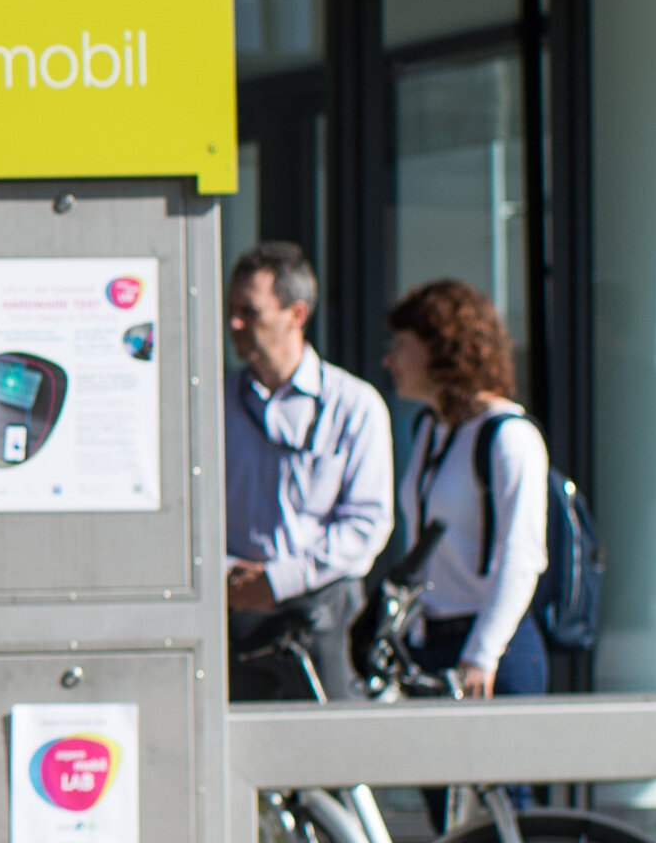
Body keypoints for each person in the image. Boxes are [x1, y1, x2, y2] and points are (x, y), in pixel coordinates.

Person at [222, 240, 392, 702]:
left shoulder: (353, 406)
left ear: (296, 314)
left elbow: (367, 523)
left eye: (250, 311)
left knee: (329, 762)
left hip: (322, 617)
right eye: (230, 309)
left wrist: (279, 579)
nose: (233, 323)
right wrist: (230, 578)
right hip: (231, 617)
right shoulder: (212, 404)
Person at [383, 279, 552, 699]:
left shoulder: (508, 436)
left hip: (493, 654)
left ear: (442, 348)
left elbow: (522, 555)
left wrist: (482, 654)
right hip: (431, 642)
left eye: (402, 344)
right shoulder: (429, 428)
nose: (389, 360)